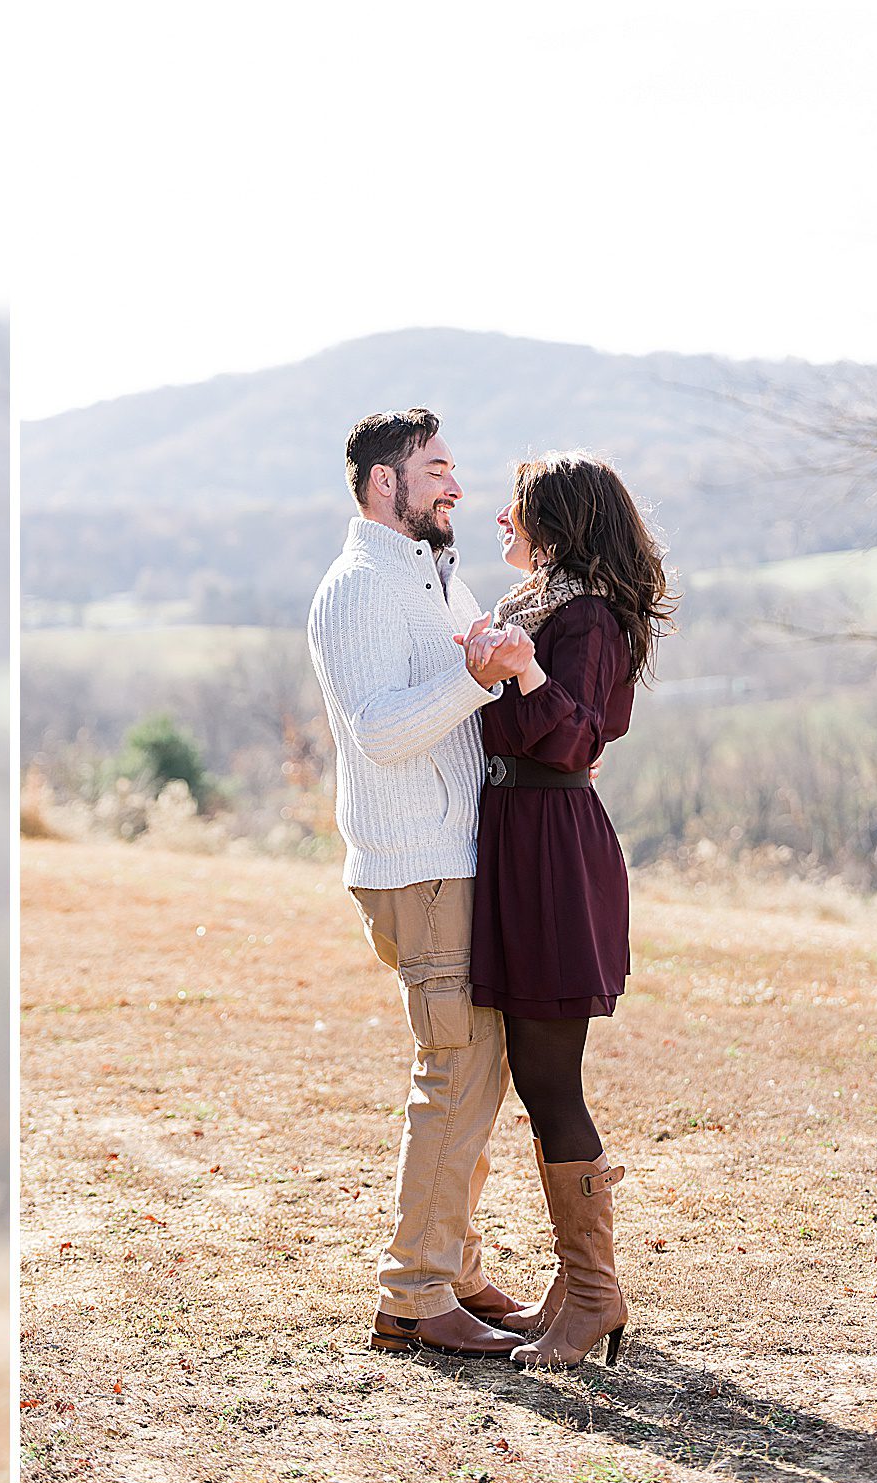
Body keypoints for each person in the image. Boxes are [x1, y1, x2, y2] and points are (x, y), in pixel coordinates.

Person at [306, 408, 538, 1358]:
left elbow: (467, 696)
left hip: (456, 855)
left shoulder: (433, 576)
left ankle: (457, 1267)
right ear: (381, 485)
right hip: (418, 863)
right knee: (458, 1072)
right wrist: (479, 681)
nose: (454, 485)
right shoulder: (360, 588)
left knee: (477, 1074)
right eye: (435, 469)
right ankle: (413, 1295)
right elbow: (384, 731)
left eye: (453, 468)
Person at [458, 451, 676, 1369]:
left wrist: (523, 674)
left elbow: (585, 732)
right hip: (514, 837)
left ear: (556, 520)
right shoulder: (534, 608)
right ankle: (576, 1284)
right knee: (534, 1075)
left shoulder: (584, 618)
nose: (498, 522)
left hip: (551, 844)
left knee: (552, 1082)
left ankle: (593, 1292)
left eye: (514, 510)